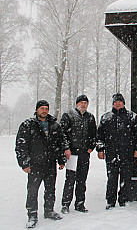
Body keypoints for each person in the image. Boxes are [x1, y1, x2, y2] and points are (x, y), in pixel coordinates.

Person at [15, 100, 66, 228]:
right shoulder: (28, 125)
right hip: (35, 164)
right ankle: (32, 215)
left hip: (50, 163)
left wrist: (61, 160)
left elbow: (60, 143)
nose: (44, 111)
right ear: (37, 110)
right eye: (42, 108)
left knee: (50, 189)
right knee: (32, 190)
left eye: (46, 108)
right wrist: (24, 163)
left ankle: (49, 211)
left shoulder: (54, 125)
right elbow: (21, 145)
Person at [96, 93, 137, 209]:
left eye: (120, 101)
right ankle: (110, 201)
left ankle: (123, 199)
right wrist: (100, 149)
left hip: (127, 152)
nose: (118, 103)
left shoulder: (132, 117)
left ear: (123, 103)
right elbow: (99, 136)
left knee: (126, 178)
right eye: (116, 101)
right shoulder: (106, 117)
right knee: (112, 178)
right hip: (111, 153)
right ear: (113, 103)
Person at [60, 95, 97, 214]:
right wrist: (66, 148)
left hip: (84, 154)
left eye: (85, 103)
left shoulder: (90, 117)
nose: (83, 105)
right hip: (72, 154)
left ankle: (80, 203)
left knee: (82, 179)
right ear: (76, 104)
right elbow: (62, 134)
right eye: (81, 102)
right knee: (70, 179)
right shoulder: (68, 115)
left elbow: (94, 134)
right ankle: (65, 204)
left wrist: (91, 147)